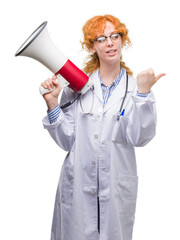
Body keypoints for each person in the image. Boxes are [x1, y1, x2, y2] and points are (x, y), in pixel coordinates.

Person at [41, 14, 165, 240]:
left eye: (115, 36)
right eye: (101, 38)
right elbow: (66, 140)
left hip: (116, 189)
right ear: (91, 47)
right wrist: (52, 103)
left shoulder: (136, 89)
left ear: (122, 40)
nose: (110, 42)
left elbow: (140, 137)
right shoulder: (76, 88)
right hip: (77, 186)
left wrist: (144, 94)